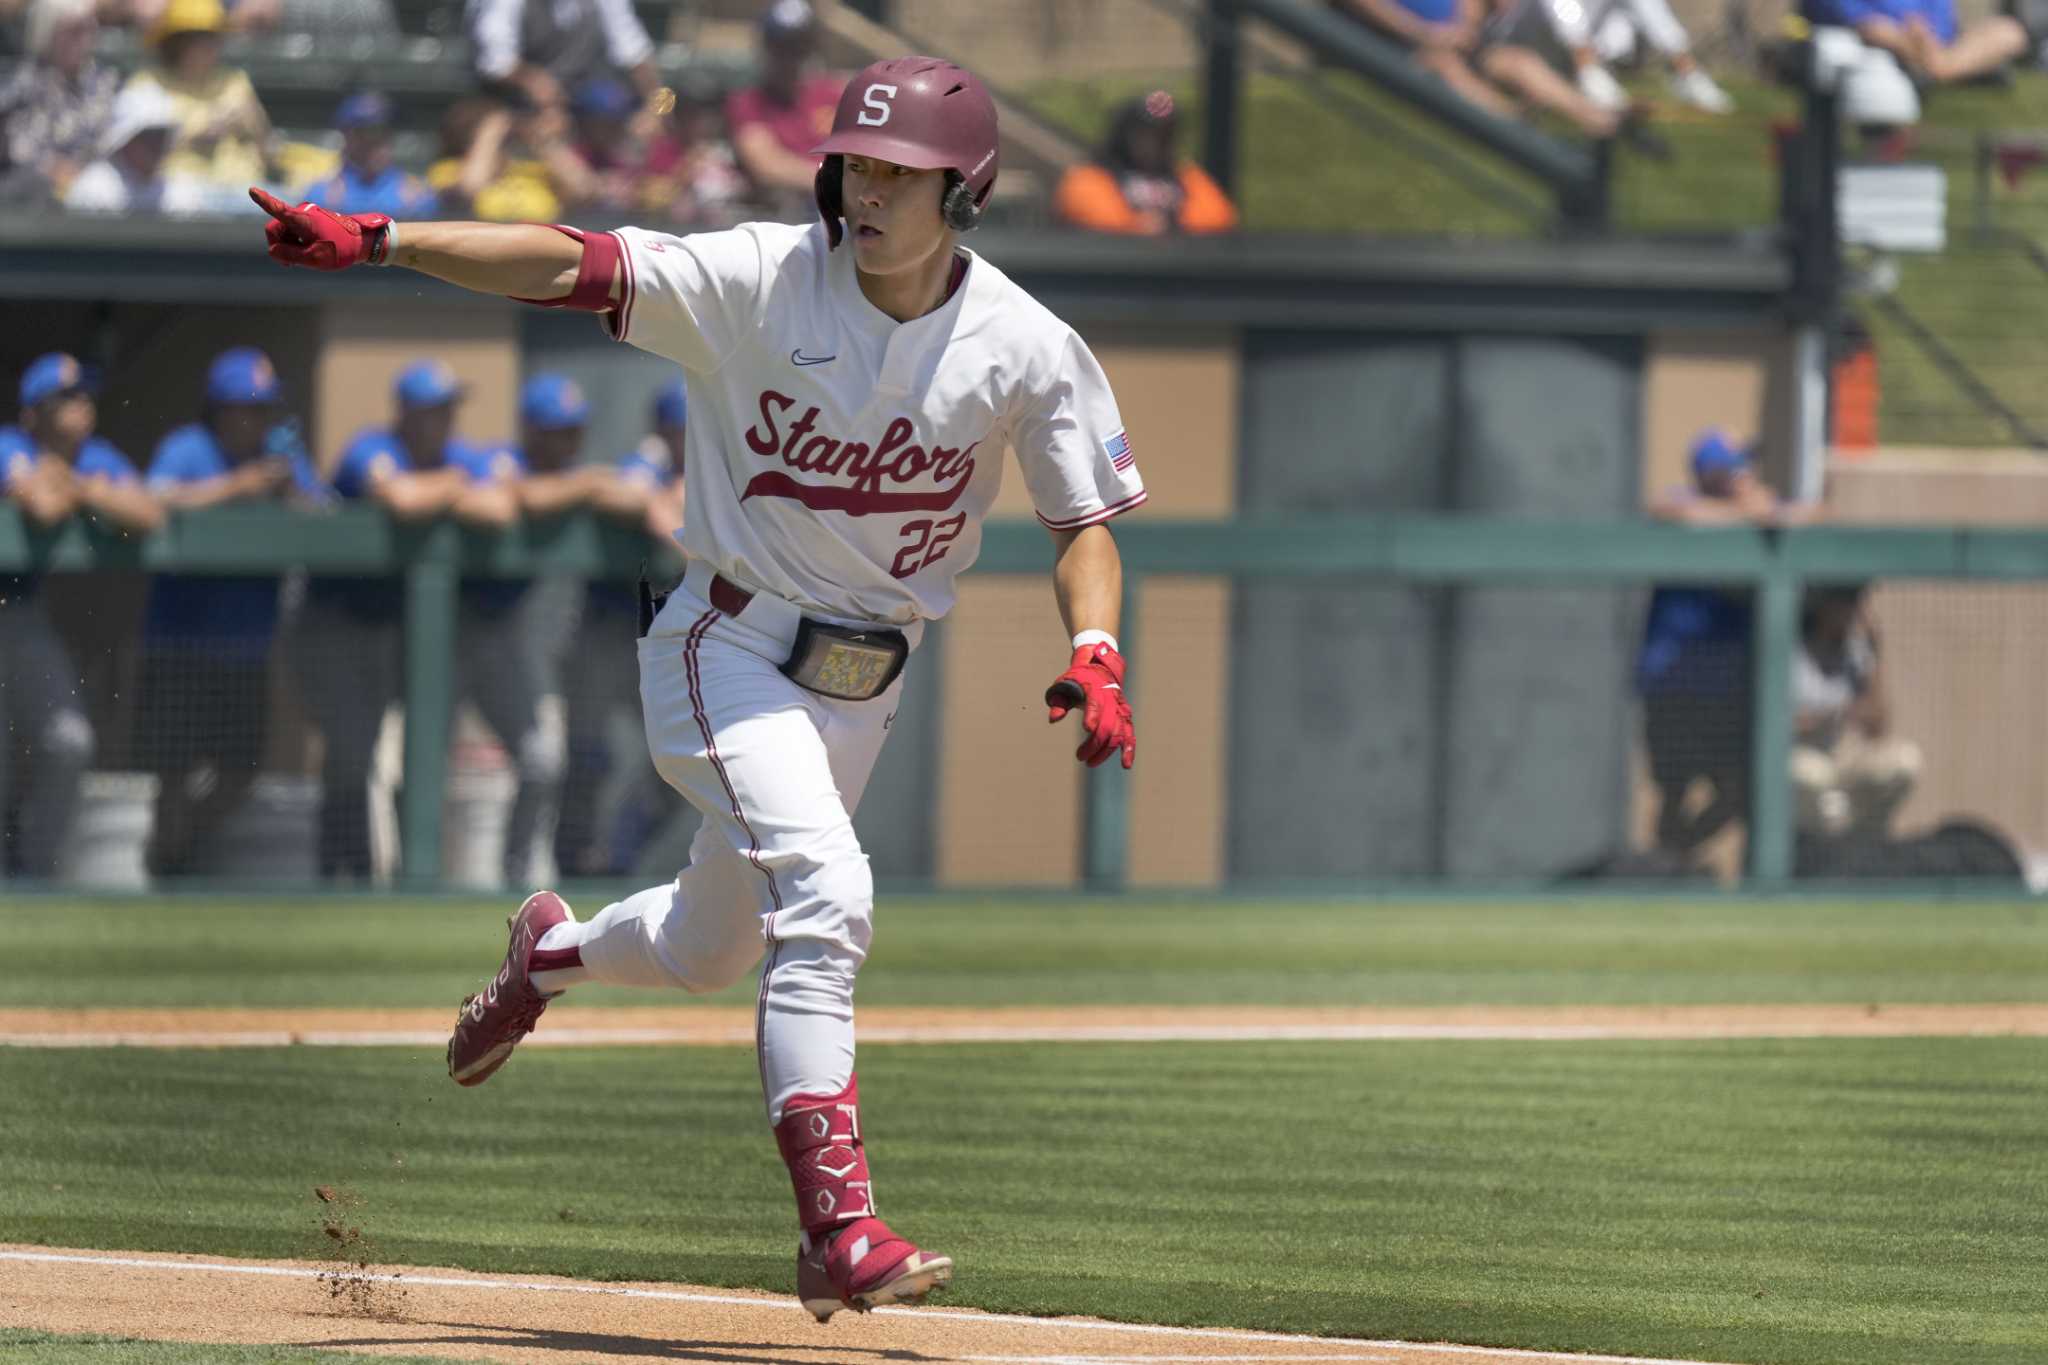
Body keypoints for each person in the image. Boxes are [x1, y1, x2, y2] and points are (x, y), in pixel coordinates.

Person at [252, 53, 1141, 1322]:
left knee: (709, 946)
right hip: (720, 644)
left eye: (905, 173)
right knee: (827, 893)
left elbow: (1084, 521)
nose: (870, 189)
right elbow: (571, 261)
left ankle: (547, 953)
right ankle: (837, 1231)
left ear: (970, 190)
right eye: (857, 165)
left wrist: (1095, 649)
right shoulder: (758, 280)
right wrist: (386, 237)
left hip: (861, 685)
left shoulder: (1025, 343)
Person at [291, 360, 515, 881]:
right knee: (351, 753)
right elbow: (401, 499)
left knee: (414, 753)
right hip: (335, 619)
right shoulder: (371, 447)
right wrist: (457, 487)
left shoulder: (456, 457)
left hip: (400, 629)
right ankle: (340, 876)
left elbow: (501, 509)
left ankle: (396, 875)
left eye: (448, 410)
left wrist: (447, 485)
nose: (444, 421)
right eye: (433, 411)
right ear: (408, 414)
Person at [138, 347, 324, 878]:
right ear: (219, 409)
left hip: (246, 648)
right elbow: (154, 499)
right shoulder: (188, 448)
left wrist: (290, 494)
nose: (258, 420)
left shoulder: (280, 455)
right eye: (247, 408)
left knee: (240, 768)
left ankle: (184, 850)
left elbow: (325, 514)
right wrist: (235, 489)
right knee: (171, 771)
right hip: (178, 643)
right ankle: (164, 864)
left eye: (265, 409)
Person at [0, 354, 161, 879]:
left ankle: (34, 871)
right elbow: (41, 506)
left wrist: (82, 486)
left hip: (18, 612)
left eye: (84, 395)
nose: (82, 405)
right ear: (33, 413)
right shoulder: (10, 444)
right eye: (65, 398)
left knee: (67, 741)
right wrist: (78, 489)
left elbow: (149, 515)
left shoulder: (94, 456)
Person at [1638, 431, 1818, 859]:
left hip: (1733, 686)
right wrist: (1743, 513)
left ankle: (1676, 856)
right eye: (1734, 466)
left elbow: (1816, 516)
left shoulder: (1761, 510)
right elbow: (1666, 511)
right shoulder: (1685, 501)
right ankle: (1665, 872)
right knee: (1673, 790)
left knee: (1745, 787)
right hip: (1673, 682)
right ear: (1710, 472)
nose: (1744, 474)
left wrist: (1765, 511)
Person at [554, 379, 689, 876]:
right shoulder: (648, 462)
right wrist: (661, 504)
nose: (687, 440)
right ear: (662, 429)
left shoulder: (714, 468)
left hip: (664, 641)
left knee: (680, 758)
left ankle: (618, 855)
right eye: (679, 430)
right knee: (587, 755)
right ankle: (568, 861)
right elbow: (628, 495)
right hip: (605, 629)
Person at [1330, 0, 1643, 141]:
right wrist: (1422, 33)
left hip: (1458, 39)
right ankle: (1512, 119)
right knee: (1447, 67)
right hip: (1397, 46)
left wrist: (1466, 26)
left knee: (1518, 62)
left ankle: (1596, 117)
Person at [1791, 583, 1920, 839]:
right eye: (1846, 600)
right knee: (1812, 778)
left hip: (1841, 756)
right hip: (1800, 755)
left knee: (1903, 761)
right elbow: (1774, 722)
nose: (1855, 609)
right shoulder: (1793, 650)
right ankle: (1826, 852)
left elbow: (1878, 728)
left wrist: (1876, 652)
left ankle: (1866, 845)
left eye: (1859, 600)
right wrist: (1827, 716)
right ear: (1823, 605)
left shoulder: (1857, 652)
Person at [122, 0, 272, 199]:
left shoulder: (234, 82)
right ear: (175, 42)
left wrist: (250, 121)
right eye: (197, 37)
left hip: (242, 191)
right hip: (173, 194)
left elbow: (267, 146)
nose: (207, 46)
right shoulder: (147, 84)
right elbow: (133, 152)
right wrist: (197, 134)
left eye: (212, 37)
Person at [1053, 90, 1237, 236]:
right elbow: (1099, 221)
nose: (1154, 143)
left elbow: (1220, 218)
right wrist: (1137, 225)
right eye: (1144, 134)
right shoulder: (1091, 176)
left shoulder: (1186, 176)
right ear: (1124, 134)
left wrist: (1171, 225)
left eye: (1163, 135)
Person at [0, 0, 120, 206]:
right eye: (73, 31)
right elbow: (18, 148)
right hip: (35, 184)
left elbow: (113, 140)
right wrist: (57, 169)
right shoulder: (23, 82)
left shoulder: (105, 83)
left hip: (93, 181)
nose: (83, 39)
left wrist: (83, 170)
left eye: (89, 30)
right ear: (47, 33)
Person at [726, 0, 844, 208]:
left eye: (798, 45)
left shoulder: (834, 93)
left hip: (840, 209)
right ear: (766, 47)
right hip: (784, 217)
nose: (790, 55)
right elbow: (766, 166)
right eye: (781, 46)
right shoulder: (748, 102)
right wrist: (840, 181)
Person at [465, 0, 661, 119]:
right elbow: (496, 62)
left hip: (581, 102)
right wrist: (537, 84)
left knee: (614, 103)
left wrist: (657, 110)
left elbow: (635, 51)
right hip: (511, 105)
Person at [63, 79, 211, 214]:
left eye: (162, 136)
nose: (157, 146)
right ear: (126, 141)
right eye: (148, 137)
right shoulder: (95, 189)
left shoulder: (181, 194)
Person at [303, 91, 438, 217]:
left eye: (385, 130)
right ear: (347, 135)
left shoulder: (417, 196)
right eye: (366, 131)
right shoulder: (321, 196)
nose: (377, 141)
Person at [427, 97, 561, 222]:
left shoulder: (530, 169)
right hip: (485, 241)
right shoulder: (449, 168)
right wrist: (490, 133)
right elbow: (470, 188)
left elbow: (580, 188)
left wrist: (542, 140)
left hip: (542, 239)